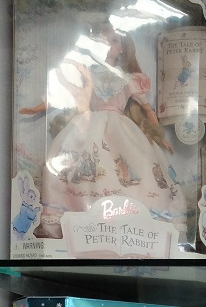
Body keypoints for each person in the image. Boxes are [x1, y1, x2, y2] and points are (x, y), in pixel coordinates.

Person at [23, 23, 186, 239]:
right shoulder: (86, 73)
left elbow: (147, 109)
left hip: (123, 131)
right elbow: (62, 96)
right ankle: (77, 220)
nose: (109, 45)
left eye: (115, 41)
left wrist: (160, 137)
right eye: (104, 40)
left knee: (139, 167)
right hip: (86, 128)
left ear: (122, 48)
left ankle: (134, 224)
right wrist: (36, 108)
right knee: (79, 169)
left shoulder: (129, 79)